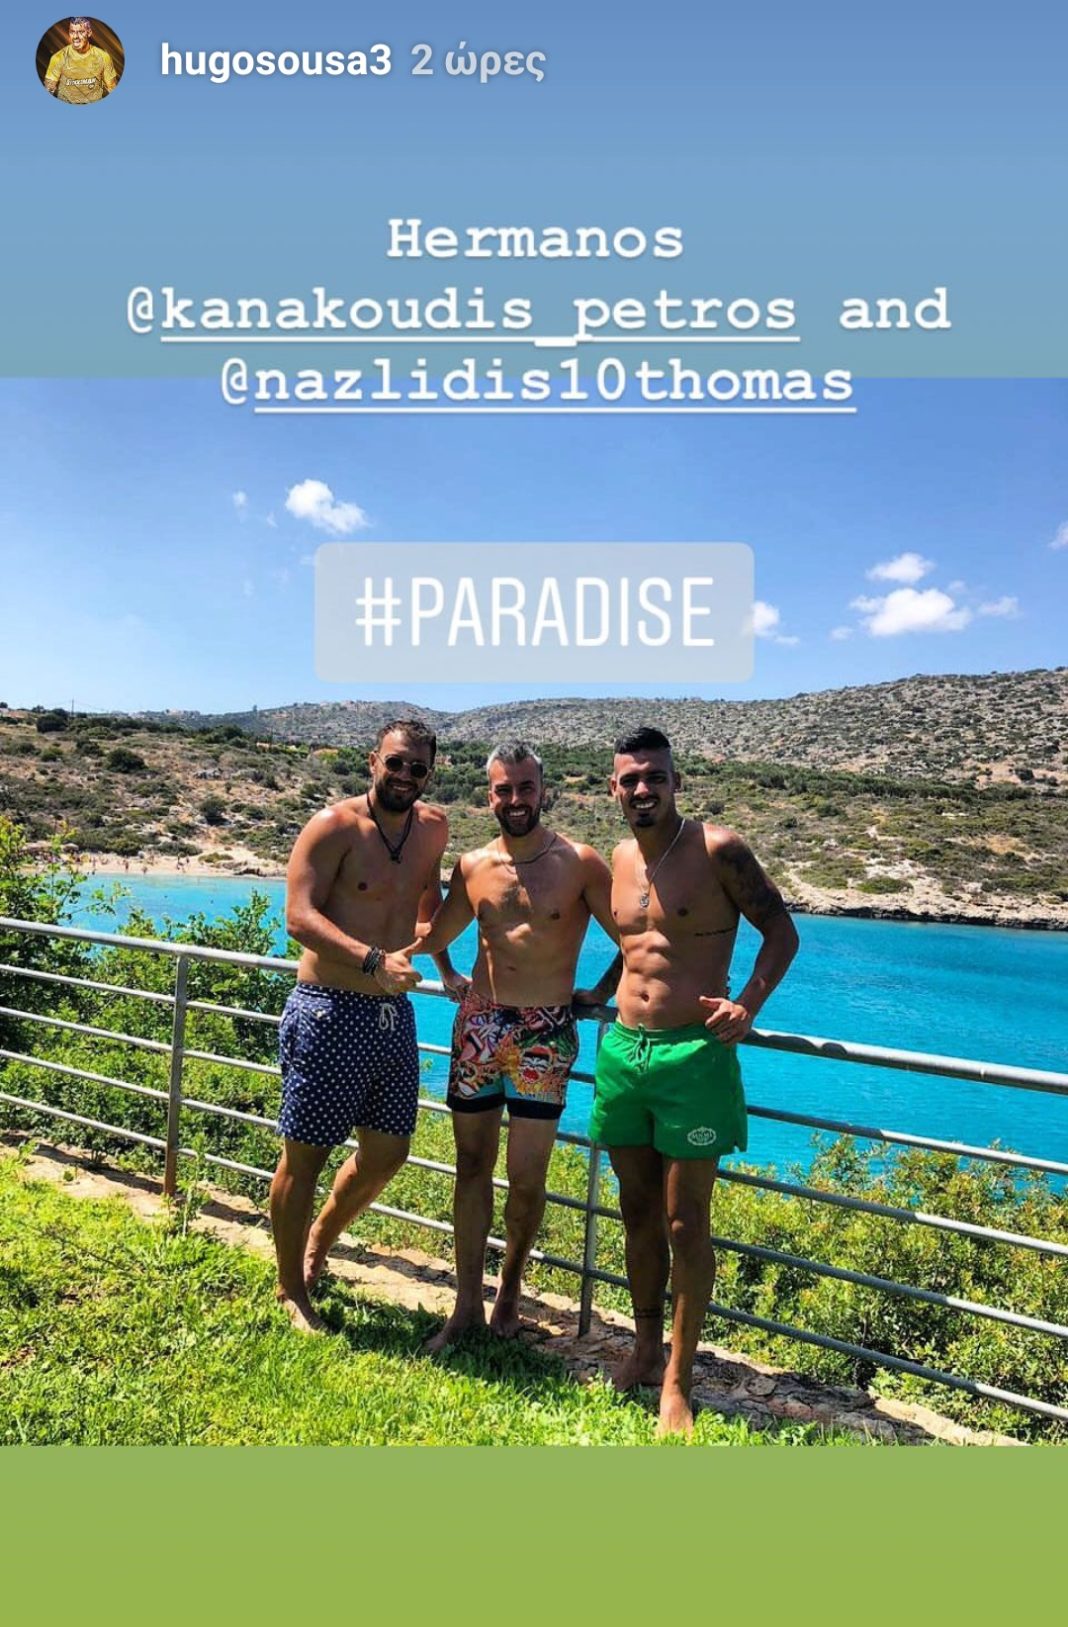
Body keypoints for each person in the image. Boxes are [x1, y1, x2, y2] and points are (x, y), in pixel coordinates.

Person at [587, 726, 799, 1435]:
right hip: (625, 1052)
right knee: (636, 1210)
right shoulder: (620, 857)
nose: (643, 788)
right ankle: (645, 1349)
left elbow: (782, 932)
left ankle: (679, 1377)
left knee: (686, 1221)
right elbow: (635, 944)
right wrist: (599, 992)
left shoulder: (719, 848)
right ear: (613, 788)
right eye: (630, 779)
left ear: (677, 782)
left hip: (694, 1055)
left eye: (656, 776)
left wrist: (750, 1004)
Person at [407, 742, 617, 1350]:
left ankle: (509, 1296)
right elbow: (436, 932)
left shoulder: (580, 863)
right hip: (479, 1026)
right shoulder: (473, 865)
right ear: (489, 795)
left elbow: (634, 936)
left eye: (526, 787)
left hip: (545, 1033)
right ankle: (465, 1306)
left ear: (543, 791)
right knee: (470, 1167)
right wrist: (378, 951)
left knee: (527, 1179)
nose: (516, 799)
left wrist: (601, 991)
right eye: (505, 789)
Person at [270, 720, 464, 1332]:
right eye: (396, 763)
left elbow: (427, 900)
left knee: (387, 1152)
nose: (405, 775)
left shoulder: (433, 828)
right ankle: (290, 1289)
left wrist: (446, 968)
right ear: (373, 761)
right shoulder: (333, 826)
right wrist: (374, 960)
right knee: (305, 1157)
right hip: (328, 1007)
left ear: (429, 773)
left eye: (417, 767)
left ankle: (319, 1240)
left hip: (390, 1014)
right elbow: (298, 918)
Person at [43, 18, 119, 104]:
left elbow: (112, 87)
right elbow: (49, 89)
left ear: (89, 33)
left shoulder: (103, 56)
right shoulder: (58, 58)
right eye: (72, 32)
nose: (75, 36)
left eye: (81, 32)